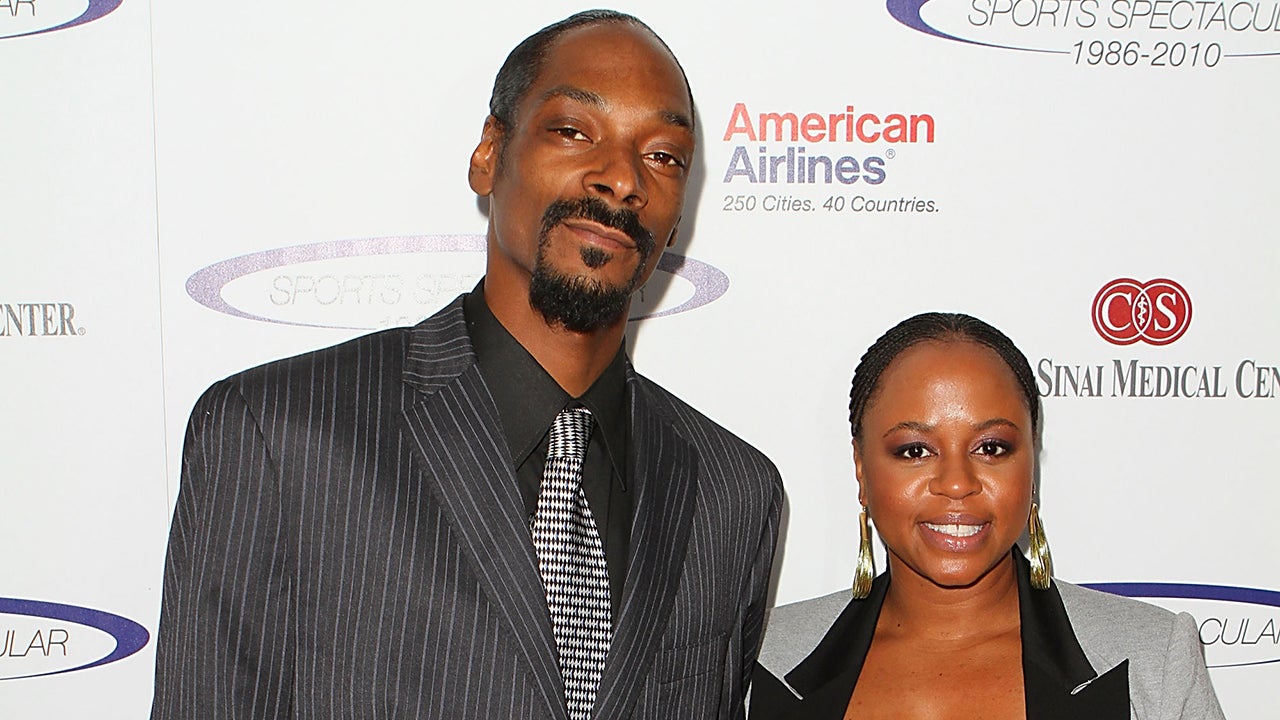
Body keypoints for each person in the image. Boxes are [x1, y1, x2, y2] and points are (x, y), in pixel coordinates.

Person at [150, 10, 782, 720]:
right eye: (573, 131)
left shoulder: (734, 492)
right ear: (489, 154)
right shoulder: (279, 434)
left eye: (663, 156)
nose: (621, 178)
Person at [748, 313, 1223, 720]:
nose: (957, 483)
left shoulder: (1153, 658)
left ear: (1031, 461)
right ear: (861, 468)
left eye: (991, 447)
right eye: (915, 450)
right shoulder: (756, 656)